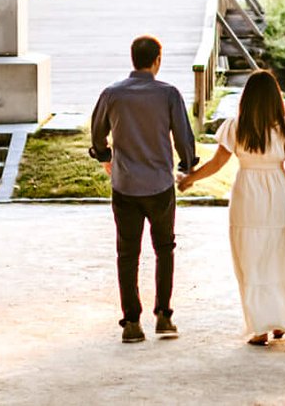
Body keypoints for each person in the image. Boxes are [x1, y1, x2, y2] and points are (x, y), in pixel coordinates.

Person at [89, 34, 197, 343]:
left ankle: (132, 323)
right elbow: (183, 138)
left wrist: (106, 157)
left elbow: (97, 134)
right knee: (164, 249)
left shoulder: (112, 94)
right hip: (160, 185)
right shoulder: (168, 95)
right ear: (157, 61)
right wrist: (185, 166)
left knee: (128, 253)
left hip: (125, 186)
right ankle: (163, 316)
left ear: (133, 58)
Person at [188, 69, 285, 344]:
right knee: (277, 255)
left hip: (246, 194)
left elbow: (217, 163)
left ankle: (260, 327)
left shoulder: (236, 125)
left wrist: (191, 179)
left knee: (251, 258)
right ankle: (278, 321)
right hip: (277, 191)